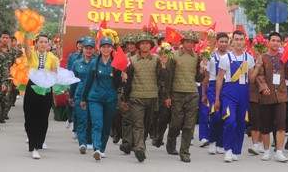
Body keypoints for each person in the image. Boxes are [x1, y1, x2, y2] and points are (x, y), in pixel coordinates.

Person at [123, 32, 168, 162]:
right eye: (142, 43)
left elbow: (162, 79)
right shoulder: (131, 61)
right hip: (136, 97)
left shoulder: (157, 60)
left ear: (151, 45)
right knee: (138, 124)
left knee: (147, 125)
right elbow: (128, 81)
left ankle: (139, 144)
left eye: (147, 43)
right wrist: (126, 99)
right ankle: (140, 149)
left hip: (152, 97)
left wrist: (164, 66)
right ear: (138, 46)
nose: (144, 45)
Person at [214, 30, 256, 163]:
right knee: (230, 121)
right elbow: (219, 78)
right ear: (232, 42)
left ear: (245, 42)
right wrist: (216, 98)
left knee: (241, 123)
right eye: (236, 39)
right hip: (229, 93)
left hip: (243, 93)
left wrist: (258, 67)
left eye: (241, 39)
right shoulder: (225, 58)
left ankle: (235, 149)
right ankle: (227, 149)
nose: (238, 42)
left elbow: (252, 79)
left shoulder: (248, 58)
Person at [165, 31, 207, 163]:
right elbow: (168, 77)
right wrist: (168, 95)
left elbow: (198, 79)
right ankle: (171, 142)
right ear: (182, 43)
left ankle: (185, 152)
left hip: (192, 93)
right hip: (177, 93)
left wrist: (201, 70)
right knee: (176, 123)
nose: (189, 44)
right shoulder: (174, 56)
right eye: (187, 41)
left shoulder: (197, 57)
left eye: (192, 42)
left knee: (189, 125)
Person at [255, 32, 288, 162]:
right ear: (268, 42)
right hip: (266, 95)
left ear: (280, 43)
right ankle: (267, 151)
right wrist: (263, 87)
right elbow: (259, 75)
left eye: (278, 41)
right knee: (266, 125)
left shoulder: (283, 57)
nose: (275, 43)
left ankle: (279, 152)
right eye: (273, 40)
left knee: (281, 124)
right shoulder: (262, 57)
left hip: (281, 96)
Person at [81, 37, 122, 161]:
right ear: (100, 48)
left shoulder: (116, 63)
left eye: (108, 46)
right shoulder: (94, 63)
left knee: (106, 125)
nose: (106, 49)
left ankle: (102, 149)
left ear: (112, 48)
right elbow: (88, 81)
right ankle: (97, 148)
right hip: (95, 98)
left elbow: (120, 83)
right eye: (103, 46)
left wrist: (124, 77)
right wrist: (83, 98)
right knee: (97, 124)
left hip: (110, 98)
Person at [23, 33, 59, 159]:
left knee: (43, 117)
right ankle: (32, 143)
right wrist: (27, 33)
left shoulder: (52, 57)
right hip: (32, 86)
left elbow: (55, 74)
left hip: (46, 88)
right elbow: (26, 46)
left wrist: (54, 86)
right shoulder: (32, 55)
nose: (43, 44)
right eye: (41, 42)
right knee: (30, 116)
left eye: (46, 42)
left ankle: (37, 143)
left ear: (49, 44)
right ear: (36, 43)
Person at [202, 32, 229, 155]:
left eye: (226, 41)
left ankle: (220, 143)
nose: (223, 44)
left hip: (227, 87)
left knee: (225, 116)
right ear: (216, 43)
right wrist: (203, 94)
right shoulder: (211, 57)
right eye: (221, 41)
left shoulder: (231, 57)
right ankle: (212, 141)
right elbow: (206, 78)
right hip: (213, 88)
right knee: (215, 116)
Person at [69, 37, 95, 154]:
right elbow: (73, 81)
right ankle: (82, 143)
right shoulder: (76, 63)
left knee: (91, 119)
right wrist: (71, 96)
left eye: (91, 48)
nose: (88, 51)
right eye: (86, 48)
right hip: (79, 95)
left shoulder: (97, 62)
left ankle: (90, 140)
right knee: (82, 120)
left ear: (94, 50)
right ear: (82, 49)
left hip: (93, 95)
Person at [0, 31, 23, 122]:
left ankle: (3, 115)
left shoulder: (14, 51)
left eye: (7, 38)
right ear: (0, 38)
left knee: (7, 97)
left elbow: (19, 62)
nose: (5, 39)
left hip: (10, 77)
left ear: (9, 39)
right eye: (3, 37)